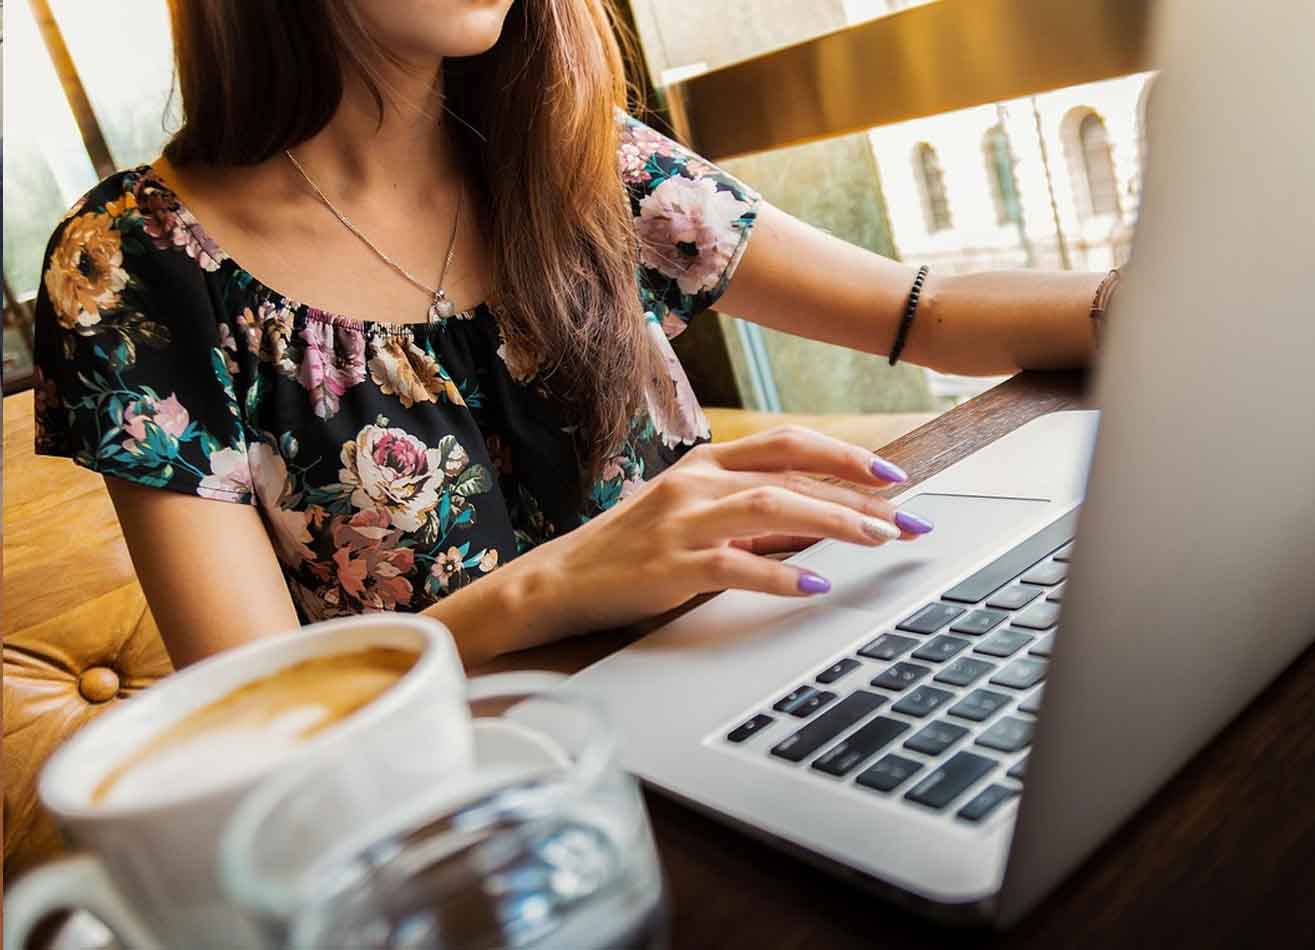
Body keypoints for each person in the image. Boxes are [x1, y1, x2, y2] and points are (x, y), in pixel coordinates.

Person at [31, 0, 1107, 669]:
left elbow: (918, 310)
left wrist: (1167, 295)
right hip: (470, 818)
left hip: (736, 681)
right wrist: (553, 583)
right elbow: (258, 715)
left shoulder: (571, 151)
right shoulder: (134, 267)